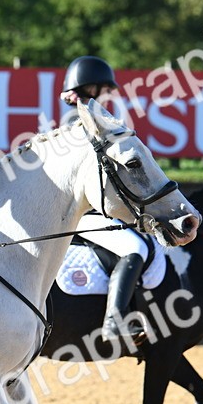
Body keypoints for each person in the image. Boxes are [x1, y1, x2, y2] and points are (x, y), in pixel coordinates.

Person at [61, 56, 149, 343]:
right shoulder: (81, 123)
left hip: (94, 211)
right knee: (135, 248)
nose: (110, 94)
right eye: (106, 89)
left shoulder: (88, 118)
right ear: (91, 88)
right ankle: (114, 321)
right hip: (83, 214)